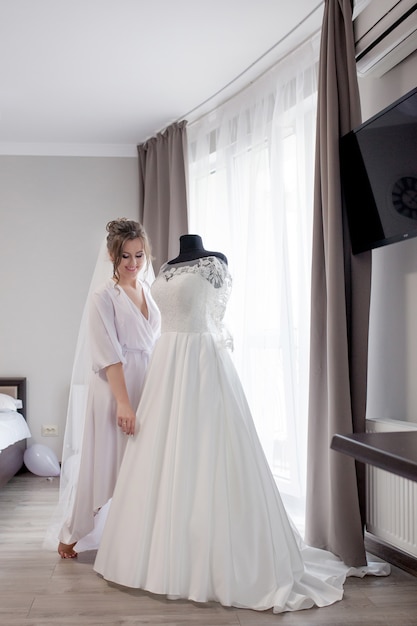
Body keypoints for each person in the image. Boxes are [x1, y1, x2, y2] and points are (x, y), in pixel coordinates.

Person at [94, 235, 389, 613]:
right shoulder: (164, 268)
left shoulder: (216, 263)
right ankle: (159, 557)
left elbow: (214, 319)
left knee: (207, 455)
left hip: (201, 363)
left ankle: (215, 561)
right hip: (165, 366)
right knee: (165, 459)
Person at [55, 218, 161, 558]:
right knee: (104, 461)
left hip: (147, 380)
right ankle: (71, 534)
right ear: (112, 257)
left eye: (139, 256)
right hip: (116, 386)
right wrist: (123, 403)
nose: (133, 264)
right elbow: (109, 355)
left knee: (142, 460)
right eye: (125, 257)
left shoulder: (148, 290)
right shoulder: (104, 295)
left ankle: (138, 535)